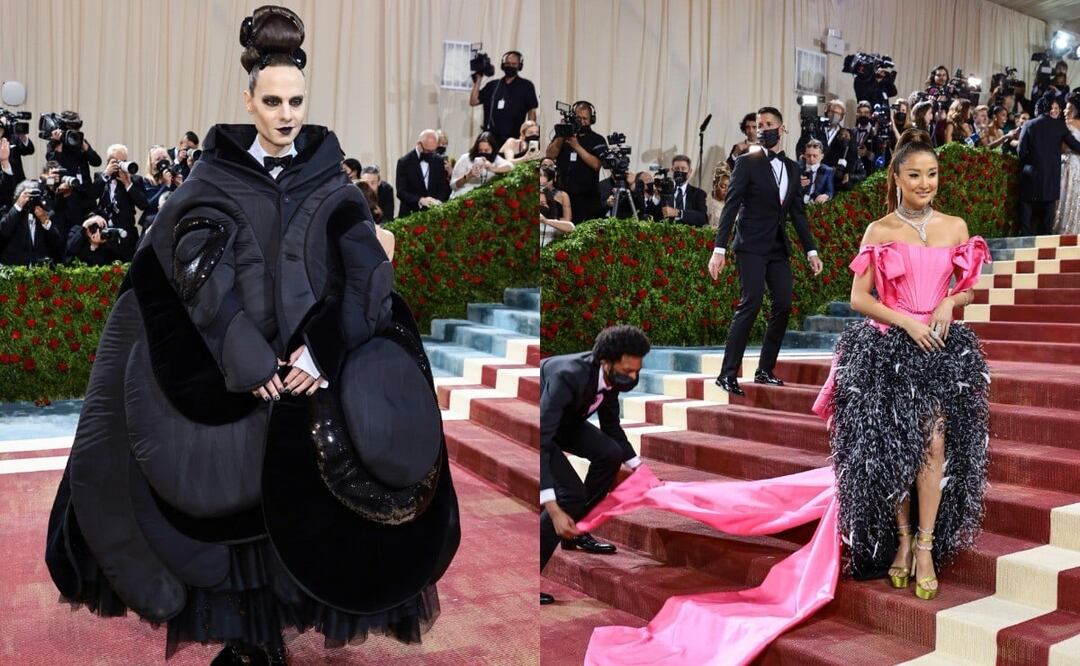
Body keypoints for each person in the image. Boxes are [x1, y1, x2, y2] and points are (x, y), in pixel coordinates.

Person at [44, 7, 459, 665]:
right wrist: (244, 354)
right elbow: (180, 265)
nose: (286, 113)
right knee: (234, 523)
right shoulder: (212, 175)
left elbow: (363, 270)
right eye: (272, 101)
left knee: (301, 510)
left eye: (295, 100)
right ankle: (252, 641)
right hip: (230, 379)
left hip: (308, 376)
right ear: (249, 100)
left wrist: (323, 350)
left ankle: (273, 634)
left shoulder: (330, 176)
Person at [815, 126, 990, 596]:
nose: (925, 184)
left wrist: (950, 303)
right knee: (896, 449)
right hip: (889, 348)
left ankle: (927, 545)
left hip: (939, 349)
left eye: (932, 174)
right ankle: (903, 539)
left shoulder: (955, 227)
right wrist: (907, 322)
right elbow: (859, 297)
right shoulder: (880, 231)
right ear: (895, 177)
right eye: (914, 175)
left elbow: (968, 290)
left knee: (933, 446)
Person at [708, 106, 823, 396]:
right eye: (760, 124)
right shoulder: (746, 162)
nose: (763, 128)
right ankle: (727, 373)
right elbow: (731, 206)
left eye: (769, 123)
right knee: (752, 302)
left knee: (783, 303)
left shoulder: (793, 169)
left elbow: (797, 213)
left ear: (782, 129)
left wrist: (811, 251)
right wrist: (718, 249)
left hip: (776, 246)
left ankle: (764, 369)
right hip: (750, 245)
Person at [538, 325, 648, 605]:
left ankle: (578, 528)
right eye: (627, 371)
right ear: (606, 362)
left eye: (637, 371)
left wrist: (641, 470)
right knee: (569, 495)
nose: (633, 377)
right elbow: (542, 438)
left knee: (610, 454)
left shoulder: (613, 379)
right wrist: (554, 509)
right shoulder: (568, 376)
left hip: (568, 421)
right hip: (540, 426)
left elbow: (612, 426)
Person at [1018, 94, 1080, 235]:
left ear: (1038, 109)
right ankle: (1045, 251)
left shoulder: (1028, 124)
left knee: (1026, 223)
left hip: (1030, 178)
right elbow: (1076, 146)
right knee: (1047, 224)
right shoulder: (1060, 126)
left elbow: (1021, 153)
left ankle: (1025, 250)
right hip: (1051, 180)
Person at [545, 101, 606, 222]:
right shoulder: (562, 137)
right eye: (578, 118)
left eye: (585, 118)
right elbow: (550, 155)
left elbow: (597, 165)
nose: (582, 121)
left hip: (588, 199)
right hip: (563, 195)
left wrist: (576, 146)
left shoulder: (597, 139)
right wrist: (561, 136)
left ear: (591, 120)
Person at [90, 143, 149, 261]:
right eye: (117, 162)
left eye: (124, 161)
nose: (120, 165)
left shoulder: (135, 179)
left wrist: (128, 184)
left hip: (126, 235)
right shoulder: (101, 176)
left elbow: (143, 205)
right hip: (104, 234)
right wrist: (106, 174)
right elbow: (90, 196)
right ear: (108, 162)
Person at [469, 50, 538, 150]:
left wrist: (529, 134)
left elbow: (532, 111)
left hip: (513, 138)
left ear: (519, 66)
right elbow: (473, 101)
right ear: (503, 65)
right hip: (490, 138)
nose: (510, 66)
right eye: (508, 63)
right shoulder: (493, 85)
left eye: (514, 64)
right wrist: (478, 79)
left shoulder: (526, 86)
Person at [0, 179, 64, 265]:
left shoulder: (47, 214)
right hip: (15, 269)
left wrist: (45, 221)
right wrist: (18, 205)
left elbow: (57, 243)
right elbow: (4, 230)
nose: (31, 200)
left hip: (40, 269)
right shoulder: (9, 212)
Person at [396, 129, 452, 216]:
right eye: (428, 151)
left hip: (434, 214)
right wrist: (420, 200)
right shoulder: (404, 162)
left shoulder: (438, 160)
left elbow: (444, 186)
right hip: (410, 214)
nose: (431, 154)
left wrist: (439, 201)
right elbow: (401, 192)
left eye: (433, 151)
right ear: (419, 144)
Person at [450, 131, 513, 198]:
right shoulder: (465, 158)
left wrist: (493, 168)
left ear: (492, 149)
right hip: (463, 196)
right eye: (480, 150)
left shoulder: (495, 159)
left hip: (485, 198)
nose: (483, 153)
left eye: (486, 150)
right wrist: (468, 175)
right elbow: (453, 185)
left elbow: (511, 166)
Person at [1053, 91, 1080, 235]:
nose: (1064, 111)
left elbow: (1062, 147)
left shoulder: (1067, 125)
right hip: (1079, 164)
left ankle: (1063, 229)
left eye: (1067, 108)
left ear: (1075, 109)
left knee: (1066, 194)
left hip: (1069, 163)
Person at [659, 154, 708, 226]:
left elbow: (702, 218)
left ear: (690, 171)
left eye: (683, 169)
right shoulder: (664, 190)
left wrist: (679, 213)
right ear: (672, 170)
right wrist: (656, 197)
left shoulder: (699, 193)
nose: (680, 171)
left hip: (690, 234)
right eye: (677, 169)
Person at [539, 163, 573, 245]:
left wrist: (547, 220)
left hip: (554, 227)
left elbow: (569, 223)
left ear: (554, 178)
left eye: (543, 203)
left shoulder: (562, 195)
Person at [800, 139, 835, 205]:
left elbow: (830, 191)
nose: (811, 159)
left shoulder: (827, 171)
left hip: (816, 204)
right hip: (798, 204)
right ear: (804, 155)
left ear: (822, 156)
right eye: (808, 155)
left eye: (815, 156)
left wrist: (826, 196)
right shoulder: (797, 168)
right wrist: (797, 184)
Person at [707, 163, 730, 229]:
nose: (726, 190)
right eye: (723, 186)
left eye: (729, 187)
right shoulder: (707, 203)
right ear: (715, 185)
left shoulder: (731, 203)